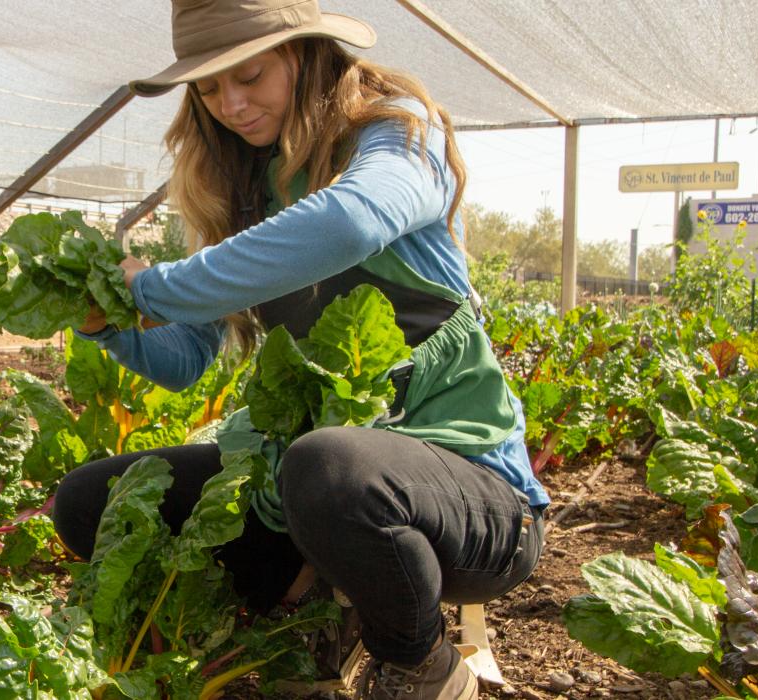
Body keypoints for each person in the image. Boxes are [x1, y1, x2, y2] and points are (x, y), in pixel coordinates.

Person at [50, 2, 548, 699]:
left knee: (331, 468)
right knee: (91, 501)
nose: (231, 103)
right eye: (209, 88)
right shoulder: (244, 181)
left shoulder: (397, 133)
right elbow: (187, 356)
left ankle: (419, 662)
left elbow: (350, 221)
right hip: (308, 493)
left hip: (472, 497)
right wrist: (105, 323)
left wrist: (154, 289)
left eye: (249, 76)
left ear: (306, 53)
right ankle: (311, 630)